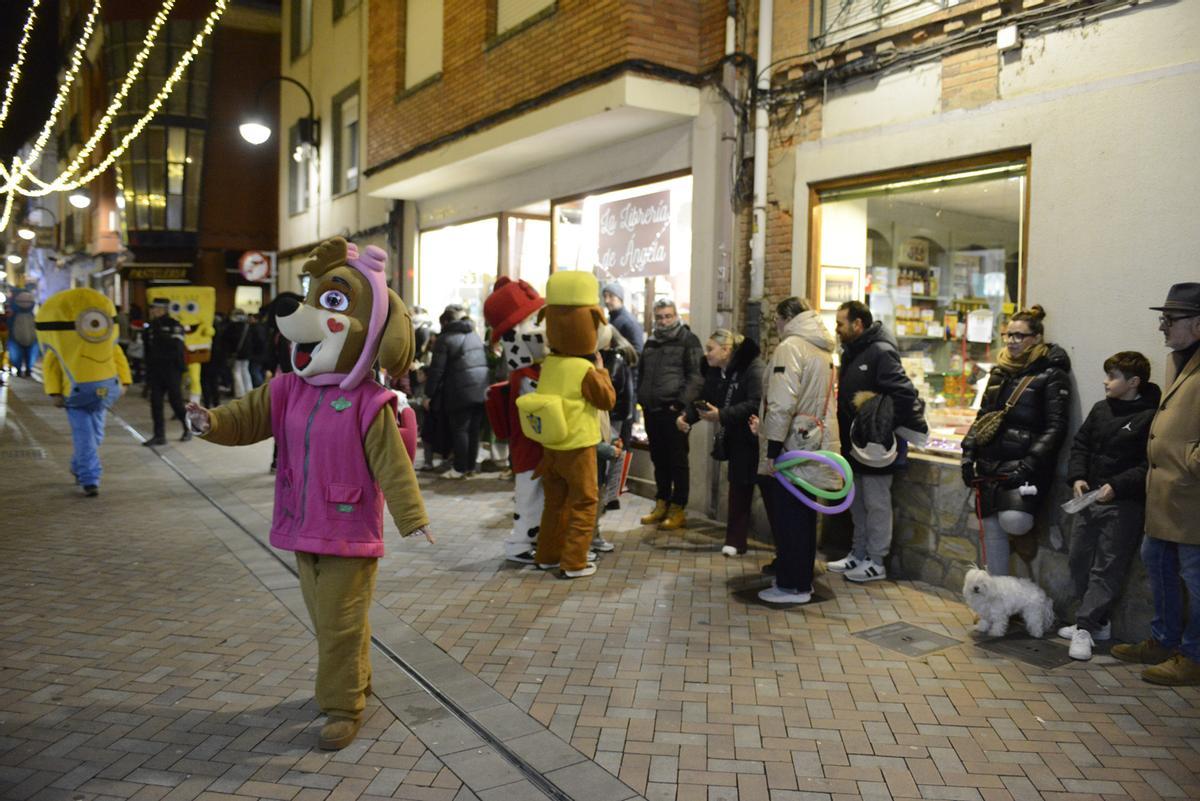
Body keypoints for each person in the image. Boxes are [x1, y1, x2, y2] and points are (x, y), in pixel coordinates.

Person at [1112, 283, 1200, 685]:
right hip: (1165, 493)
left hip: (1191, 494)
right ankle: (1164, 640)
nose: (1162, 326)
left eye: (1170, 319)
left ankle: (1193, 656)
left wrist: (1190, 462)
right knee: (1156, 560)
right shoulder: (1176, 360)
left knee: (1195, 578)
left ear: (1197, 324)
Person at [1059, 352, 1159, 661]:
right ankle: (1098, 622)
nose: (1105, 382)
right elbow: (1081, 444)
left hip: (1122, 505)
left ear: (1133, 382)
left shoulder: (1150, 417)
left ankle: (1085, 627)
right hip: (1088, 499)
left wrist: (1117, 485)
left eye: (1112, 377)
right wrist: (1078, 476)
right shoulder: (1101, 409)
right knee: (1078, 560)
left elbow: (1148, 463)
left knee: (1107, 567)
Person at [960, 305, 1071, 576]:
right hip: (989, 462)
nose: (1011, 341)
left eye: (1019, 336)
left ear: (1036, 338)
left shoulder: (1051, 374)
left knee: (1014, 520)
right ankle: (997, 595)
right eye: (1008, 335)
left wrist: (1028, 464)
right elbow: (983, 417)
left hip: (1023, 465)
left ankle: (1023, 546)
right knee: (991, 528)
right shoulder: (999, 372)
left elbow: (1056, 427)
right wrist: (968, 453)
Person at [829, 301, 926, 583]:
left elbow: (905, 393)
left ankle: (876, 561)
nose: (837, 329)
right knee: (857, 501)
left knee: (876, 503)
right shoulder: (852, 351)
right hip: (854, 444)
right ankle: (858, 553)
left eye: (840, 323)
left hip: (875, 447)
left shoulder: (881, 351)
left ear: (857, 324)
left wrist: (880, 422)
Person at [755, 297, 840, 604]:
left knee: (789, 515)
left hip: (792, 445)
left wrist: (772, 449)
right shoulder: (821, 348)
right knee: (803, 515)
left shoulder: (791, 347)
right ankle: (800, 580)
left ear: (784, 318)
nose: (775, 326)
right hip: (813, 442)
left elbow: (781, 403)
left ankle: (792, 586)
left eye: (776, 320)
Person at [679, 328, 764, 557]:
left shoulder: (753, 368)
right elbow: (707, 399)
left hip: (756, 439)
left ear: (726, 350)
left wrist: (722, 415)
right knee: (738, 488)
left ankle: (781, 548)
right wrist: (687, 417)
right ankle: (735, 541)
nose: (706, 354)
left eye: (710, 349)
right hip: (737, 439)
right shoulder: (716, 371)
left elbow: (756, 403)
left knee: (766, 492)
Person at [637, 299, 703, 530]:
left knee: (677, 460)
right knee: (658, 459)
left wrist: (680, 404)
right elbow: (642, 372)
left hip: (672, 412)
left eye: (668, 316)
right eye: (660, 317)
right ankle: (661, 502)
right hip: (651, 410)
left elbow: (696, 376)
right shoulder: (651, 341)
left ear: (676, 316)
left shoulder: (688, 339)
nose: (664, 321)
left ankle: (678, 508)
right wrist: (641, 397)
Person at [424, 304, 489, 479]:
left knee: (460, 430)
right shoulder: (474, 335)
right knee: (474, 431)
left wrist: (429, 394)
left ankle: (459, 468)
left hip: (459, 391)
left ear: (445, 322)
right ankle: (470, 468)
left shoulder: (445, 339)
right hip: (480, 388)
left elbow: (436, 370)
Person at [141, 297, 190, 446]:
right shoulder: (150, 327)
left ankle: (188, 428)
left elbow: (177, 347)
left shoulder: (174, 325)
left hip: (172, 369)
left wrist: (161, 333)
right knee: (156, 403)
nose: (152, 311)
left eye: (155, 308)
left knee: (176, 402)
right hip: (156, 370)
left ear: (163, 309)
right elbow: (148, 350)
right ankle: (159, 435)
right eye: (152, 308)